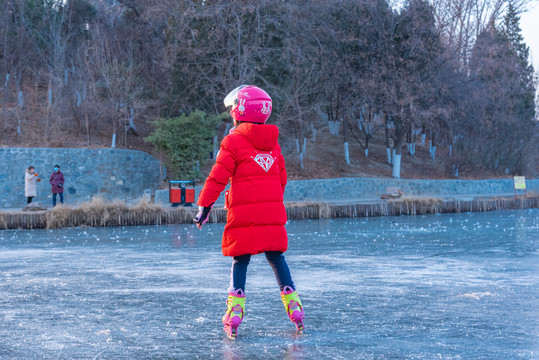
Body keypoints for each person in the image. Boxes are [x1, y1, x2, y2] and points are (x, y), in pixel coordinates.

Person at [194, 85, 305, 339]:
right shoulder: (273, 146)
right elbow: (281, 181)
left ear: (239, 111)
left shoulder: (233, 141)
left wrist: (205, 206)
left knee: (240, 259)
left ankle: (234, 313)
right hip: (272, 215)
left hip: (243, 216)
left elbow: (217, 177)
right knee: (276, 257)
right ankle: (295, 307)